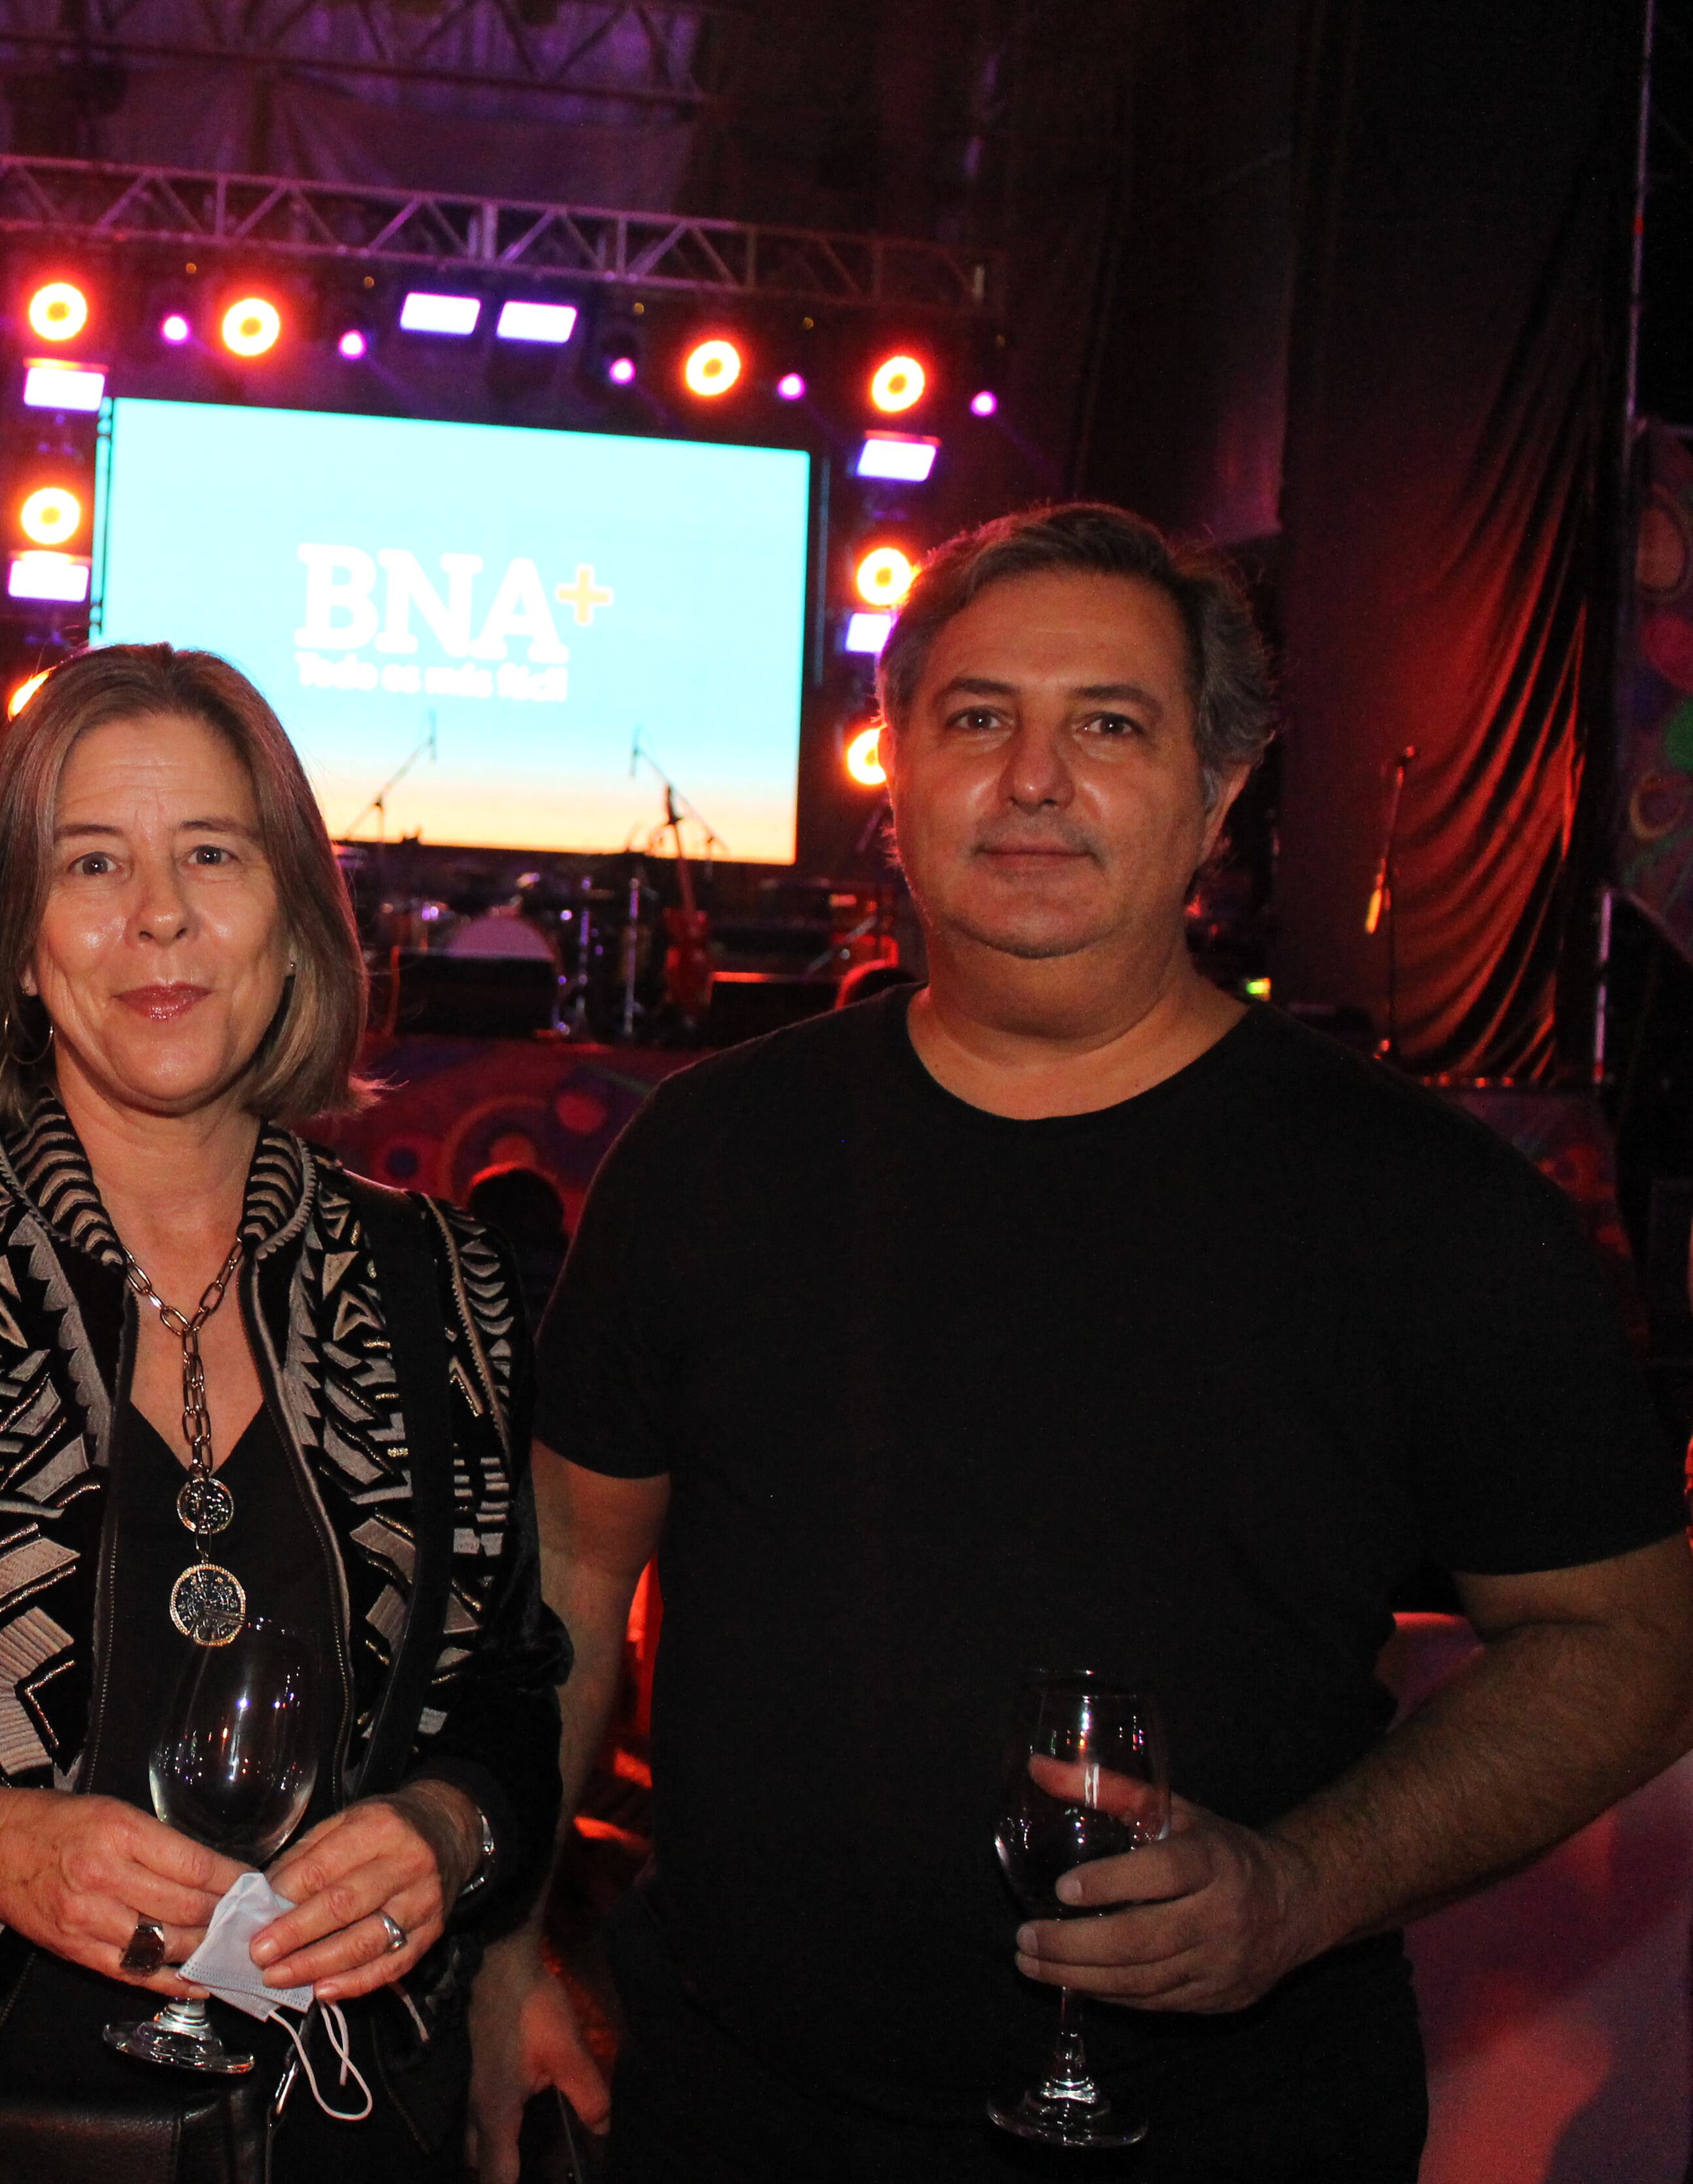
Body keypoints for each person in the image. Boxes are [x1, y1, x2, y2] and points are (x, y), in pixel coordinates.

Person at [469, 502, 1693, 2181]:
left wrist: (1299, 1889)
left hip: (1232, 2131)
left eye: (1106, 724)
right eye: (978, 719)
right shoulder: (713, 1153)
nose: (1032, 778)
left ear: (1220, 789)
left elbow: (1629, 1641)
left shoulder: (1428, 1207)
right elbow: (565, 1573)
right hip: (735, 2110)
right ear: (894, 772)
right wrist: (507, 1936)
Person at [0, 643, 568, 2182]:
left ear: (291, 918)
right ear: (13, 940)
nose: (159, 913)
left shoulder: (442, 1281)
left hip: (339, 2139)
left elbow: (508, 1701)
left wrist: (451, 1830)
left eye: (212, 852)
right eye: (92, 861)